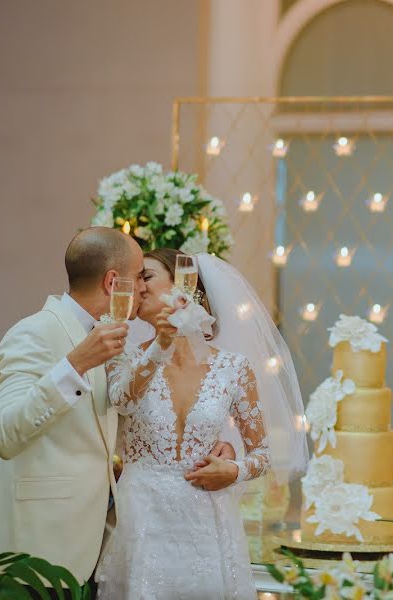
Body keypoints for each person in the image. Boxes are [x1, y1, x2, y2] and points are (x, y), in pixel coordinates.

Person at [0, 228, 237, 589]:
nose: (144, 288)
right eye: (139, 276)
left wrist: (218, 445)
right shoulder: (33, 333)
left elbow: (139, 417)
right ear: (114, 283)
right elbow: (4, 434)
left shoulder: (119, 344)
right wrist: (74, 365)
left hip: (92, 550)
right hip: (30, 551)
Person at [95, 249, 308, 599]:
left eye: (146, 277)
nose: (139, 288)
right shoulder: (122, 353)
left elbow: (263, 453)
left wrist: (233, 470)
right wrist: (161, 344)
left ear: (184, 285)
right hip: (142, 518)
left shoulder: (233, 368)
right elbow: (123, 400)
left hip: (209, 522)